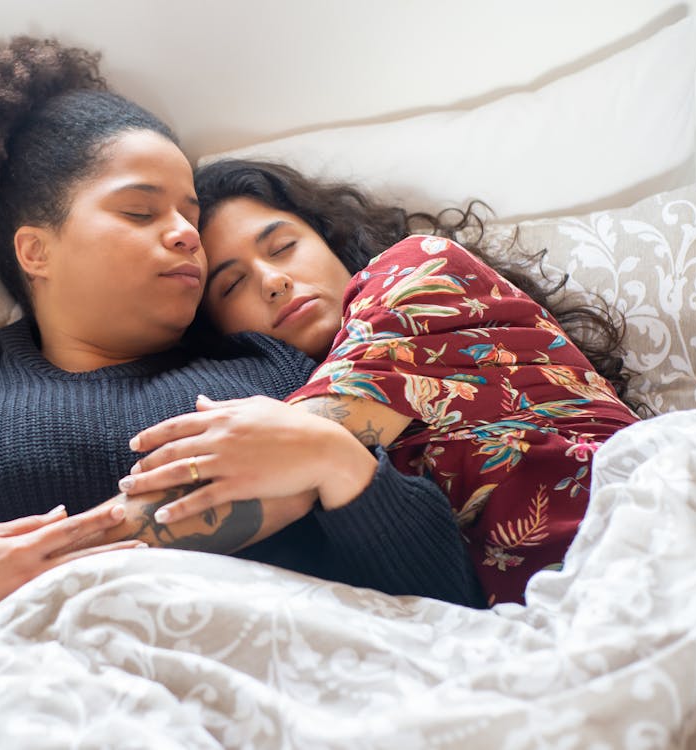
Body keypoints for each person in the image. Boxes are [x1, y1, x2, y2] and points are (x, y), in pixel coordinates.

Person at [0, 40, 483, 739]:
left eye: (188, 212)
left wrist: (337, 463)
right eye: (139, 210)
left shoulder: (276, 369)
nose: (188, 232)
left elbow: (450, 596)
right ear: (36, 249)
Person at [119, 158, 642, 607]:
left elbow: (251, 462)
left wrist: (53, 557)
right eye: (232, 284)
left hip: (646, 525)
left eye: (282, 247)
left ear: (333, 241)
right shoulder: (317, 414)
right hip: (556, 615)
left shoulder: (418, 273)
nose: (273, 281)